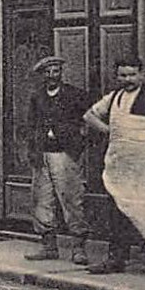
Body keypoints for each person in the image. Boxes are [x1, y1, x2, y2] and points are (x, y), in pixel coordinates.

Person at [84, 59, 145, 280]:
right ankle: (116, 259)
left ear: (142, 75)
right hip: (119, 168)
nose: (127, 80)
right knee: (118, 214)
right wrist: (109, 131)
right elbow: (89, 116)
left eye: (131, 75)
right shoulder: (114, 98)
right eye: (122, 75)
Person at [25, 55, 95, 265]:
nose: (51, 76)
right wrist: (32, 148)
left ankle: (78, 248)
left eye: (55, 71)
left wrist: (80, 137)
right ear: (42, 75)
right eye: (47, 72)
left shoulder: (74, 95)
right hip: (42, 155)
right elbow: (31, 125)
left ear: (61, 73)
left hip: (65, 154)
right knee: (42, 199)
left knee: (72, 198)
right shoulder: (37, 96)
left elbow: (93, 115)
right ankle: (49, 246)